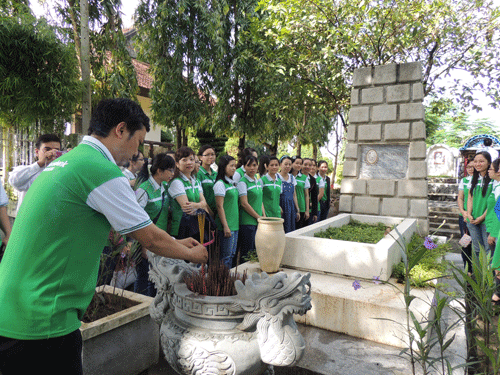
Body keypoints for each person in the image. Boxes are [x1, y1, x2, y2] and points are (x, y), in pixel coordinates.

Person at [0, 98, 207, 374]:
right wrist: (192, 254)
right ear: (120, 130)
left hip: (14, 309)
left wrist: (177, 242)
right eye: (139, 141)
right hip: (42, 321)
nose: (138, 151)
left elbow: (138, 229)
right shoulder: (100, 170)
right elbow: (150, 239)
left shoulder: (71, 161)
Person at [134, 153, 175, 296]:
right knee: (144, 277)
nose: (172, 173)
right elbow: (136, 219)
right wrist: (145, 244)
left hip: (158, 240)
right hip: (146, 242)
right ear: (159, 171)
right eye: (170, 170)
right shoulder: (144, 190)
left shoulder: (163, 187)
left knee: (155, 277)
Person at [8, 133, 61, 211]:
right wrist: (40, 163)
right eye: (47, 149)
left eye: (56, 151)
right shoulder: (29, 170)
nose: (52, 153)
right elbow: (14, 181)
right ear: (37, 152)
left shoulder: (63, 171)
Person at [168, 147, 212, 240]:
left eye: (191, 159)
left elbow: (204, 202)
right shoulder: (177, 182)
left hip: (196, 227)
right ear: (177, 164)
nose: (189, 162)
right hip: (181, 229)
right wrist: (200, 205)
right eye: (184, 160)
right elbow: (187, 208)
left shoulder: (195, 181)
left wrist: (196, 205)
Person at [237, 155, 264, 265]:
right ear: (244, 167)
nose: (252, 168)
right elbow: (244, 203)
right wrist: (258, 217)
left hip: (259, 221)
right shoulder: (242, 182)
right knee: (247, 252)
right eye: (249, 166)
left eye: (254, 165)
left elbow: (260, 200)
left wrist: (264, 217)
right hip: (247, 222)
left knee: (256, 250)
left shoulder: (257, 181)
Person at [465, 151, 493, 257]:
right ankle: (478, 273)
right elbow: (470, 198)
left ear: (489, 163)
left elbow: (493, 203)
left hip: (486, 220)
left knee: (487, 250)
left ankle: (488, 274)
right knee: (476, 249)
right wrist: (469, 214)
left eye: (481, 161)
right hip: (472, 220)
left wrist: (482, 217)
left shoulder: (493, 180)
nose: (478, 164)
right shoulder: (473, 179)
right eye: (476, 161)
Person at [214, 155, 239, 267]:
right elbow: (219, 206)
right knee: (226, 257)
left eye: (235, 165)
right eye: (231, 166)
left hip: (235, 224)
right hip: (227, 225)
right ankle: (223, 281)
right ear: (223, 167)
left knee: (232, 255)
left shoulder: (231, 182)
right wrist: (225, 226)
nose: (234, 168)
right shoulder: (220, 184)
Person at [457, 162, 475, 270]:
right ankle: (467, 269)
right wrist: (463, 212)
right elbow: (460, 198)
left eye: (472, 167)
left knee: (476, 245)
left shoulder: (483, 181)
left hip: (476, 217)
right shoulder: (464, 181)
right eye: (468, 167)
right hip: (463, 217)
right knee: (465, 243)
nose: (470, 169)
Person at [278, 156, 300, 233]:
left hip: (291, 207)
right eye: (285, 164)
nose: (288, 166)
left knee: (290, 229)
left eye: (289, 164)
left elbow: (294, 194)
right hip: (281, 206)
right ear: (280, 165)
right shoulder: (276, 177)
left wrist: (297, 209)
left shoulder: (292, 178)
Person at [197, 145, 217, 216]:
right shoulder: (198, 173)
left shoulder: (216, 174)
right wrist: (209, 212)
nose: (211, 157)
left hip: (217, 212)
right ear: (201, 157)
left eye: (212, 154)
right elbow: (199, 196)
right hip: (205, 213)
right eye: (207, 155)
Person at [291, 156, 310, 229]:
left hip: (301, 207)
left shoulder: (304, 178)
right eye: (296, 163)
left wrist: (307, 210)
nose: (299, 165)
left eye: (300, 163)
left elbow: (306, 195)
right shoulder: (288, 177)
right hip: (290, 206)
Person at [303, 158, 318, 225]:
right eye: (305, 164)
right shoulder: (295, 177)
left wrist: (315, 213)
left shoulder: (313, 180)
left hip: (307, 209)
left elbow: (314, 197)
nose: (308, 167)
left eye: (310, 165)